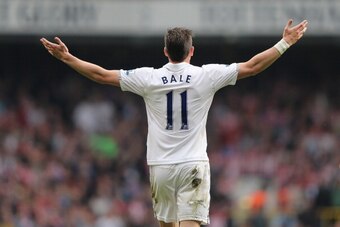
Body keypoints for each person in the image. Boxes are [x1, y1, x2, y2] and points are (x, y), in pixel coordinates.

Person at [40, 19, 308, 227]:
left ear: (165, 51)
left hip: (161, 166)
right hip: (193, 164)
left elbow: (101, 75)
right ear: (192, 51)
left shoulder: (148, 78)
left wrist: (67, 57)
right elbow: (252, 66)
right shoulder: (207, 76)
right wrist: (284, 43)